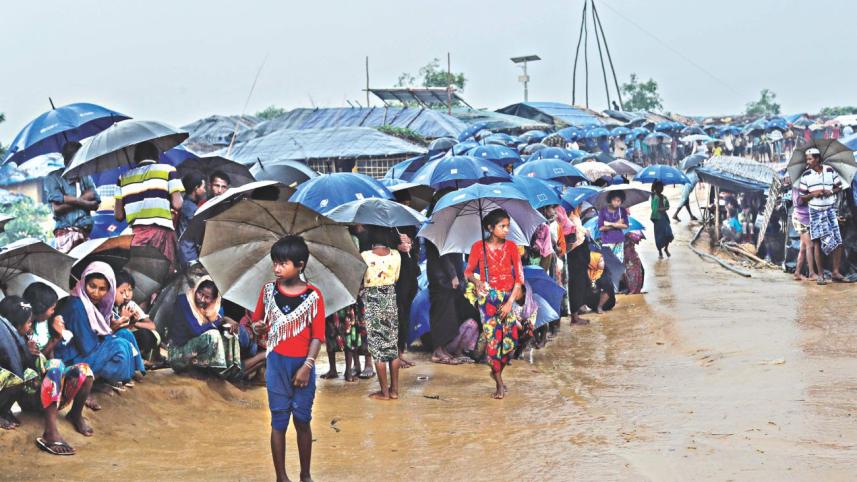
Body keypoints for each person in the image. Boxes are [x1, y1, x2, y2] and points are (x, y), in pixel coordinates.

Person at [250, 235, 324, 482]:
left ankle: (305, 475)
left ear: (300, 265)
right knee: (278, 420)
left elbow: (317, 337)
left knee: (302, 420)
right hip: (277, 364)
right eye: (275, 263)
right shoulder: (268, 291)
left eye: (283, 263)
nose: (277, 268)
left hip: (303, 365)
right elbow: (258, 323)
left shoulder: (314, 296)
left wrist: (307, 366)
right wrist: (258, 327)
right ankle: (281, 477)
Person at [0, 296, 95, 455]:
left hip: (49, 393)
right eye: (28, 322)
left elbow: (47, 365)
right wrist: (28, 355)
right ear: (16, 325)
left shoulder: (30, 338)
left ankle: (75, 415)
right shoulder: (5, 342)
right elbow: (16, 373)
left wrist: (39, 353)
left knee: (85, 371)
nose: (31, 325)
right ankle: (50, 433)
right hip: (29, 397)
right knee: (54, 366)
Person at [464, 209, 524, 400]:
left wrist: (509, 303)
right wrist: (477, 281)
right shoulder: (477, 248)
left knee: (512, 341)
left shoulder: (513, 247)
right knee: (493, 341)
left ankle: (496, 371)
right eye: (502, 226)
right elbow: (468, 272)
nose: (506, 230)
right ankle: (498, 383)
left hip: (508, 298)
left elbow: (519, 279)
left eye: (508, 226)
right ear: (490, 228)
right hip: (488, 300)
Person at [54, 262, 142, 387]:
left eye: (102, 289)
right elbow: (87, 346)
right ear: (84, 282)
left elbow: (99, 333)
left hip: (87, 349)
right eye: (92, 286)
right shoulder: (77, 306)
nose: (96, 293)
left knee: (125, 334)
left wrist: (114, 329)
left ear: (109, 290)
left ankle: (130, 371)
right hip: (72, 358)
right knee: (119, 346)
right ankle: (85, 384)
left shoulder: (96, 304)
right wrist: (111, 330)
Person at [114, 141, 184, 268]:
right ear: (157, 156)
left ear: (136, 159)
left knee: (140, 275)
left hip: (135, 235)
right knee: (163, 275)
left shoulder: (122, 178)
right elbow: (177, 204)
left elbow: (118, 215)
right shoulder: (168, 170)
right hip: (161, 232)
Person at [168, 277, 243, 378]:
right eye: (200, 293)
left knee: (229, 334)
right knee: (212, 335)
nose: (202, 299)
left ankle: (230, 369)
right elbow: (196, 330)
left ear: (213, 299)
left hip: (195, 352)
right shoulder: (184, 301)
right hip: (178, 354)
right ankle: (216, 370)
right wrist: (219, 321)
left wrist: (227, 323)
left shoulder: (211, 310)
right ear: (196, 289)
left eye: (207, 297)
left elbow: (218, 325)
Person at [360, 227, 402, 401]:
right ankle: (394, 391)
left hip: (373, 302)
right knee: (393, 347)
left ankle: (384, 392)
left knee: (378, 349)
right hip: (391, 301)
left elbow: (360, 277)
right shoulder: (396, 255)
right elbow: (396, 277)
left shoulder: (365, 256)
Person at [799, 148, 848, 284]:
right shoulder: (806, 175)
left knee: (838, 241)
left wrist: (830, 191)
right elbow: (802, 198)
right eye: (807, 159)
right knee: (817, 242)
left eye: (809, 159)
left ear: (817, 159)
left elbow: (839, 187)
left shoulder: (830, 170)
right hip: (815, 211)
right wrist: (812, 195)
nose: (807, 161)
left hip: (830, 210)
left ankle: (835, 272)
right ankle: (820, 275)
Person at [42, 141, 101, 253]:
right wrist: (84, 201)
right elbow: (57, 209)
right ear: (67, 160)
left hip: (85, 232)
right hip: (65, 234)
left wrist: (67, 200)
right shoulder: (53, 178)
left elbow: (96, 202)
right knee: (70, 266)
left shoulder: (85, 177)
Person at [113, 270, 161, 365]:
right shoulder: (109, 306)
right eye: (123, 291)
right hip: (117, 340)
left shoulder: (131, 305)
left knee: (147, 334)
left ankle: (138, 357)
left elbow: (152, 325)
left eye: (130, 290)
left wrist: (134, 322)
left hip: (132, 338)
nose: (127, 295)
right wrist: (123, 319)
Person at [177, 173, 207, 267]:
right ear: (196, 188)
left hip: (185, 252)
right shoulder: (191, 208)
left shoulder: (185, 203)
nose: (205, 191)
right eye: (203, 187)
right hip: (189, 254)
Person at [791, 185, 816, 281]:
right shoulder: (797, 186)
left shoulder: (808, 183)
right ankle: (811, 273)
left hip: (807, 219)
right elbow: (797, 202)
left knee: (803, 248)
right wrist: (811, 195)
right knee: (810, 245)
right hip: (799, 218)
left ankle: (797, 272)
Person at [597, 192, 629, 262]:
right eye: (614, 200)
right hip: (607, 240)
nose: (616, 203)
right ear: (610, 200)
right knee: (607, 263)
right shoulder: (603, 211)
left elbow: (626, 226)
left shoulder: (622, 211)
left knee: (618, 262)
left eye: (618, 201)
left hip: (619, 241)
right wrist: (617, 224)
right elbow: (601, 228)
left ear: (621, 201)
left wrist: (609, 224)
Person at [650, 181, 674, 258]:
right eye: (659, 187)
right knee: (659, 236)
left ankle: (666, 248)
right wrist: (655, 182)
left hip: (664, 217)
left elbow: (668, 206)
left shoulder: (664, 197)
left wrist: (663, 208)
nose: (661, 189)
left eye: (662, 187)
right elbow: (651, 190)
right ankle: (660, 252)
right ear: (655, 188)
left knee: (669, 234)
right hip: (656, 218)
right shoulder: (654, 196)